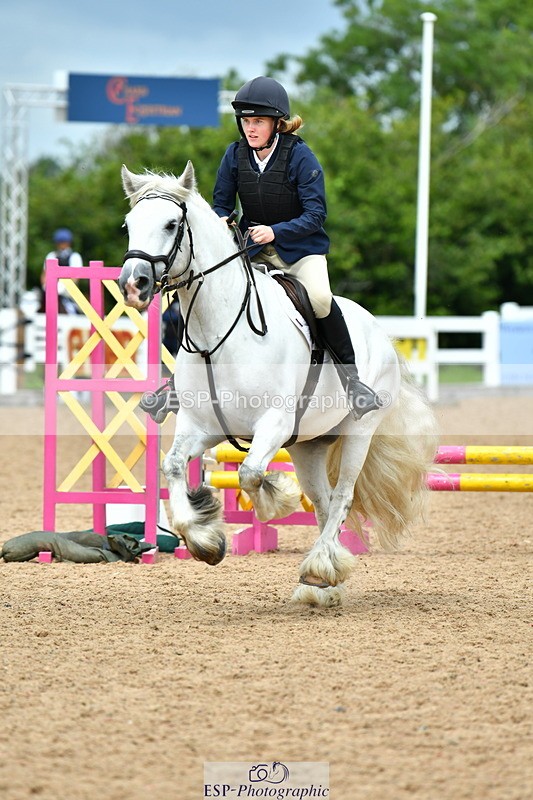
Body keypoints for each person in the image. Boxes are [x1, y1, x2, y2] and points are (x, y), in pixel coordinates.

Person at [212, 76, 380, 418]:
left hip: (300, 250)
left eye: (258, 121)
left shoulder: (300, 156)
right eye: (246, 121)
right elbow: (221, 204)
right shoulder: (234, 155)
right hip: (251, 248)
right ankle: (180, 381)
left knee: (319, 298)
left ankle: (353, 383)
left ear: (277, 123)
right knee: (215, 294)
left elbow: (316, 214)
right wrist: (221, 221)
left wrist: (275, 232)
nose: (250, 128)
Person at [40, 228, 83, 314]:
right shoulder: (51, 255)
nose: (62, 245)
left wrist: (62, 287)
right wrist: (47, 286)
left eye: (64, 242)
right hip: (51, 290)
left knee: (74, 309)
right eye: (60, 242)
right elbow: (45, 275)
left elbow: (75, 277)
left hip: (68, 293)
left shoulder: (75, 256)